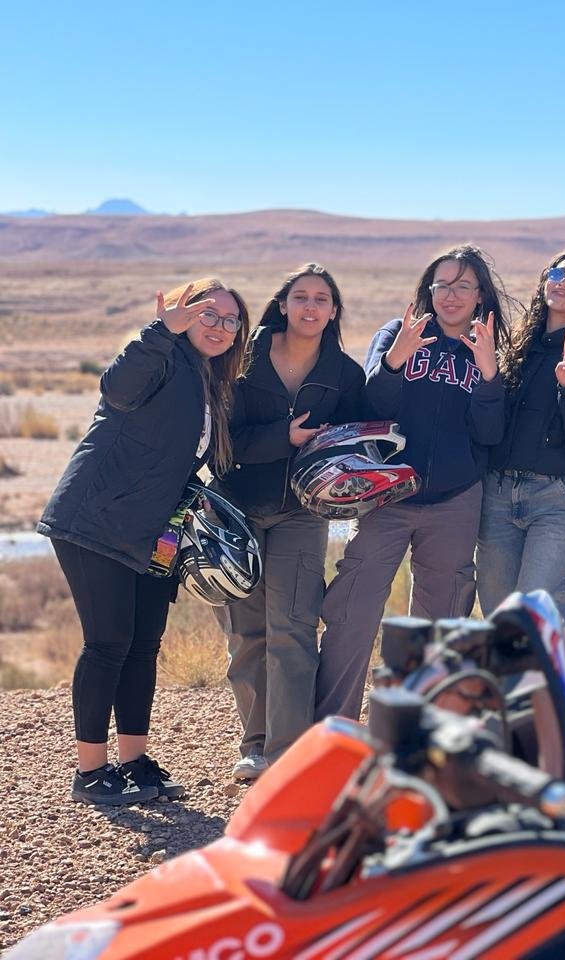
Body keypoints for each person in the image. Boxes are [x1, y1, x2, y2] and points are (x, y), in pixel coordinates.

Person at [37, 279, 249, 805]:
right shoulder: (161, 358)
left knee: (143, 645)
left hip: (156, 534)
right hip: (96, 520)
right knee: (108, 643)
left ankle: (133, 762)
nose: (220, 327)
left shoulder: (210, 382)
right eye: (208, 314)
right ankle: (90, 772)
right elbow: (117, 388)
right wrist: (159, 331)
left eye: (230, 320)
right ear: (183, 312)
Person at [315, 245, 510, 721]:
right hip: (387, 496)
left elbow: (490, 434)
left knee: (440, 623)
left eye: (463, 286)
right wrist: (396, 361)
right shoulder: (398, 334)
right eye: (442, 285)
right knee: (353, 610)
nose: (450, 295)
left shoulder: (489, 349)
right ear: (429, 289)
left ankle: (417, 733)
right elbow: (371, 409)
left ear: (479, 295)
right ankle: (334, 728)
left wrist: (489, 375)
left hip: (455, 501)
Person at [215, 264, 366, 780]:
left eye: (321, 298)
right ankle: (254, 745)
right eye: (301, 296)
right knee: (246, 633)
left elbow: (352, 445)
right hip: (237, 509)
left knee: (294, 629)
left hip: (303, 515)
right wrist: (285, 437)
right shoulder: (242, 359)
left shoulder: (344, 375)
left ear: (333, 311)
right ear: (282, 305)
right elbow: (224, 443)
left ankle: (286, 754)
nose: (310, 306)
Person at [476, 245, 565, 623]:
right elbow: (490, 429)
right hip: (498, 496)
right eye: (557, 274)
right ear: (544, 283)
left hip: (557, 500)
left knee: (534, 621)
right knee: (498, 620)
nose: (563, 283)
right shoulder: (517, 348)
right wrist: (489, 375)